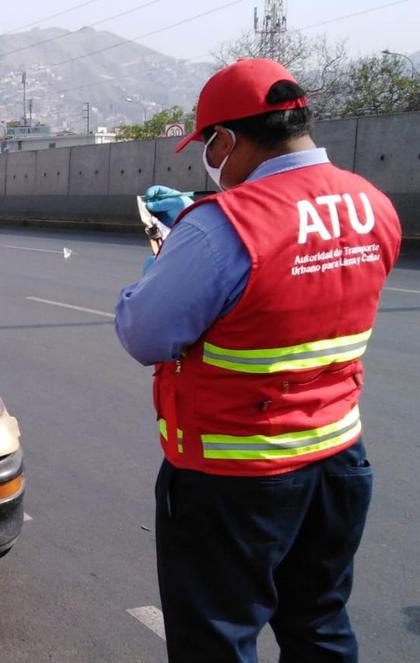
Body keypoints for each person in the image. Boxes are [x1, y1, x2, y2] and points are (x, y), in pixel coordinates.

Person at [114, 59, 401, 662]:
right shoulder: (373, 204)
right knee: (319, 627)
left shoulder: (221, 228)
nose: (209, 160)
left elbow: (146, 335)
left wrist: (165, 263)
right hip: (338, 461)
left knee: (216, 643)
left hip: (236, 479)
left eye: (209, 145)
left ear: (229, 139)